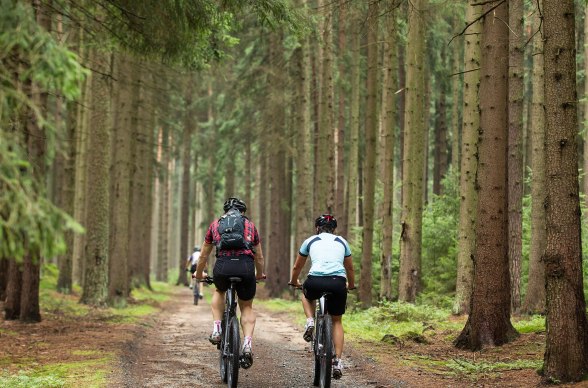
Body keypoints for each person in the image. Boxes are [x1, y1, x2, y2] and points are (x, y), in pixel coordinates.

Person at [194, 197, 266, 369]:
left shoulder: (215, 225)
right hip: (245, 267)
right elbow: (259, 256)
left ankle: (217, 329)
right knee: (247, 307)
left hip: (223, 267)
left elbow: (204, 255)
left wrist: (198, 275)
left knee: (219, 290)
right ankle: (247, 343)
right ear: (243, 211)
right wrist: (259, 274)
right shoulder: (250, 226)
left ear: (225, 211)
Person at [288, 213, 356, 379]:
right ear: (334, 229)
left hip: (315, 281)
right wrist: (351, 285)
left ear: (317, 228)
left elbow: (297, 266)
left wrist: (294, 281)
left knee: (306, 293)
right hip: (338, 282)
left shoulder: (310, 241)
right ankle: (338, 361)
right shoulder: (342, 241)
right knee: (337, 321)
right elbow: (350, 268)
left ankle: (310, 321)